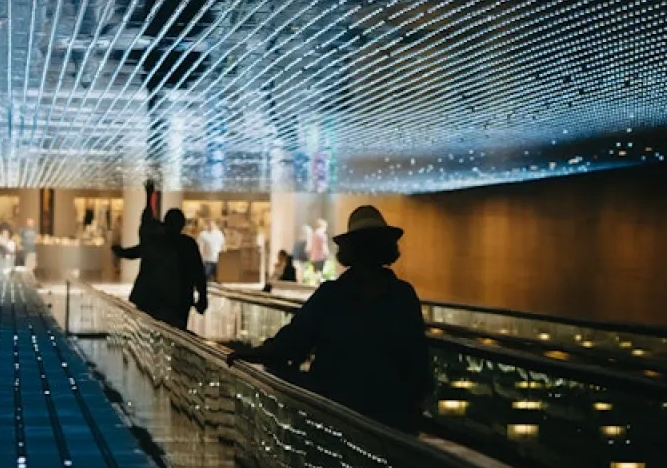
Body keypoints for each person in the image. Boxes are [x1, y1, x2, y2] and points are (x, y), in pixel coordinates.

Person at [227, 206, 431, 432]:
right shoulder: (402, 294)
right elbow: (417, 354)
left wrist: (256, 352)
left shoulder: (332, 294)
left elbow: (295, 339)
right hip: (390, 413)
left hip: (334, 411)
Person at [113, 181, 209, 329]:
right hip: (178, 302)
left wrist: (120, 252)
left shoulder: (157, 242)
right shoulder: (187, 244)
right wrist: (202, 296)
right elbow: (198, 272)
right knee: (176, 335)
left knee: (151, 334)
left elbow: (138, 248)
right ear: (182, 225)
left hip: (153, 300)